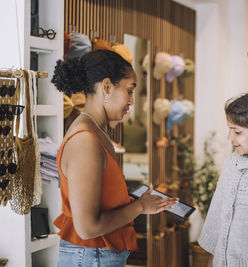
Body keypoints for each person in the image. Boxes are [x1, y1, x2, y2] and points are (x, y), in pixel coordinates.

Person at [51, 49, 178, 267]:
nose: (131, 101)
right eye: (129, 91)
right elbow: (88, 227)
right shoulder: (86, 140)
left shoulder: (95, 131)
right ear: (107, 87)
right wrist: (140, 207)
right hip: (91, 257)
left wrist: (136, 201)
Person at [198, 92, 248, 267]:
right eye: (229, 129)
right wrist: (212, 257)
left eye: (237, 131)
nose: (229, 137)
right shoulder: (230, 163)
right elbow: (217, 212)